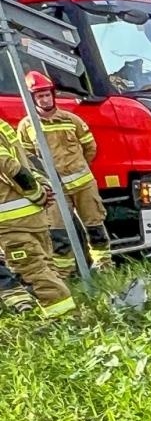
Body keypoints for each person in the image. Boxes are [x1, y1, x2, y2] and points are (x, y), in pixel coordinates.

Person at [18, 70, 112, 271]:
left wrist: (78, 167)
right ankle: (65, 274)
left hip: (83, 185)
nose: (44, 99)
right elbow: (27, 158)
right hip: (54, 190)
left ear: (52, 94)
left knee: (94, 226)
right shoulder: (27, 126)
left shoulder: (71, 119)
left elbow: (90, 148)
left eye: (46, 94)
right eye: (39, 96)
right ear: (32, 98)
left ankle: (104, 265)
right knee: (58, 233)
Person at [0, 118, 74, 318]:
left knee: (35, 274)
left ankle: (65, 324)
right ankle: (67, 320)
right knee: (45, 269)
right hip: (31, 217)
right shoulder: (3, 125)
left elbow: (10, 166)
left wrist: (37, 193)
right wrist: (42, 187)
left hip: (12, 222)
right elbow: (25, 161)